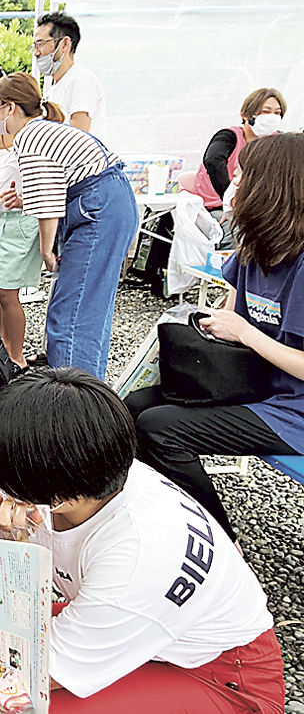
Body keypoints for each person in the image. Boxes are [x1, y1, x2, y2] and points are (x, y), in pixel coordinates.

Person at [0, 368, 284, 714]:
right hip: (145, 632)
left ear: (59, 499)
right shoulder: (89, 469)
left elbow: (27, 676)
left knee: (25, 704)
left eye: (2, 481)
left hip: (225, 676)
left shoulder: (136, 559)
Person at [125, 133, 304, 544]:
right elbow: (231, 313)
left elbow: (256, 337)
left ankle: (220, 542)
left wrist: (245, 332)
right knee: (134, 407)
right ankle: (164, 519)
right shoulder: (253, 248)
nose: (231, 183)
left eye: (241, 176)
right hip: (254, 385)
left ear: (273, 187)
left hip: (294, 411)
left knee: (161, 429)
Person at [0, 73, 137, 379]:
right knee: (88, 309)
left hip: (98, 204)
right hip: (109, 200)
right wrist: (23, 199)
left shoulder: (29, 137)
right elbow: (54, 186)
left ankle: (73, 398)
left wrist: (46, 250)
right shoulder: (47, 129)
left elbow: (48, 204)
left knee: (71, 314)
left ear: (10, 107)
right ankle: (90, 389)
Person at [0, 82, 42, 369]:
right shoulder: (5, 147)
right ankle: (8, 351)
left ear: (10, 107)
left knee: (7, 293)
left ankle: (16, 356)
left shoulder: (23, 147)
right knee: (1, 291)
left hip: (16, 225)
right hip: (5, 223)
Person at [188, 88, 285, 247]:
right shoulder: (229, 137)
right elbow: (213, 161)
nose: (272, 117)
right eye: (266, 111)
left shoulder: (278, 142)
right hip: (216, 208)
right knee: (239, 236)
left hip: (259, 210)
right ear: (246, 115)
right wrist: (230, 202)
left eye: (277, 113)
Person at [34, 12, 106, 138]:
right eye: (34, 46)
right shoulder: (54, 88)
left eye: (41, 44)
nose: (36, 53)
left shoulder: (81, 79)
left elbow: (78, 137)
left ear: (65, 44)